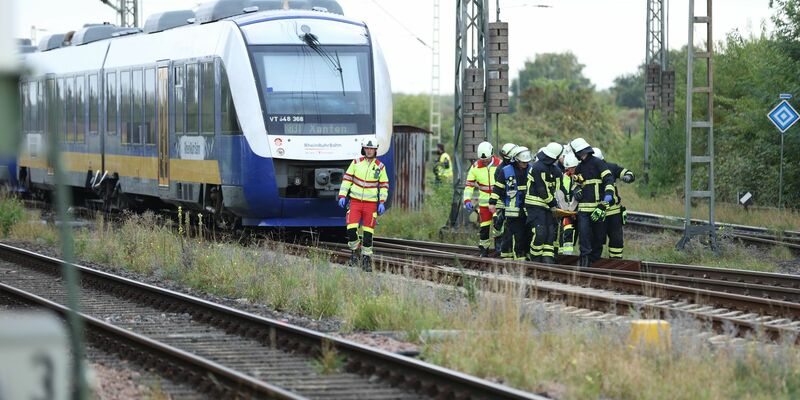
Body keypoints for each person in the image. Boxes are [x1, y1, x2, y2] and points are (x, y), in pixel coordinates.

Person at [338, 138, 389, 271]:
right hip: (355, 202)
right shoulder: (355, 163)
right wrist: (342, 195)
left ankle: (366, 259)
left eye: (371, 149)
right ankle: (355, 252)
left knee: (368, 234)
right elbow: (347, 179)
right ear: (363, 149)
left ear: (375, 150)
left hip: (371, 205)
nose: (369, 150)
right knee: (351, 229)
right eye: (367, 148)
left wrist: (382, 202)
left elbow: (384, 185)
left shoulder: (380, 167)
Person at [569, 138, 615, 267]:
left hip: (598, 208)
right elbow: (574, 184)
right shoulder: (579, 167)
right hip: (583, 210)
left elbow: (609, 182)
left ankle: (595, 262)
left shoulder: (599, 164)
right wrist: (576, 189)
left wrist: (604, 203)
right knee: (584, 235)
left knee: (598, 236)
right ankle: (584, 262)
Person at [489, 146, 532, 260]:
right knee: (516, 235)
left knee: (526, 234)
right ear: (516, 160)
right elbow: (498, 188)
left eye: (526, 162)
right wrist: (492, 202)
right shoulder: (506, 171)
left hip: (527, 210)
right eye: (523, 162)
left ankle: (518, 255)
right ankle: (518, 257)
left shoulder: (531, 169)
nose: (525, 164)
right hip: (512, 210)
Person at [593, 147, 635, 259]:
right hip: (597, 212)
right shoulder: (587, 170)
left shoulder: (611, 167)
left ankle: (616, 262)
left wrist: (628, 177)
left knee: (616, 239)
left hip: (613, 212)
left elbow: (625, 172)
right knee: (596, 240)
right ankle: (594, 263)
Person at [525, 142, 564, 264]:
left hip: (549, 207)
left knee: (550, 233)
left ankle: (547, 260)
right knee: (540, 232)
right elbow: (542, 189)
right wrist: (554, 204)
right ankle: (535, 259)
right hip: (535, 206)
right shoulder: (537, 167)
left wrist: (562, 204)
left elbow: (559, 189)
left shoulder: (556, 171)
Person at [463, 141, 503, 257]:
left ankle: (499, 248)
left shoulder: (500, 165)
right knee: (484, 227)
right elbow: (469, 186)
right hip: (484, 204)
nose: (484, 161)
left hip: (498, 202)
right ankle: (484, 249)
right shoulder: (475, 167)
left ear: (492, 154)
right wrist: (467, 200)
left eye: (486, 159)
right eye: (482, 159)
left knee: (499, 226)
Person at [492, 143, 519, 256]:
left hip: (514, 202)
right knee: (499, 225)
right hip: (503, 202)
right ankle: (499, 248)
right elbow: (500, 189)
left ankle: (510, 250)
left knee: (512, 228)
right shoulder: (501, 170)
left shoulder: (518, 167)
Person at [555, 152, 580, 255]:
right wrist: (569, 211)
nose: (572, 170)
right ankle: (565, 256)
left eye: (573, 168)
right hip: (567, 212)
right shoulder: (563, 178)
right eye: (570, 168)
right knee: (567, 232)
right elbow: (560, 196)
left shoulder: (580, 178)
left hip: (579, 211)